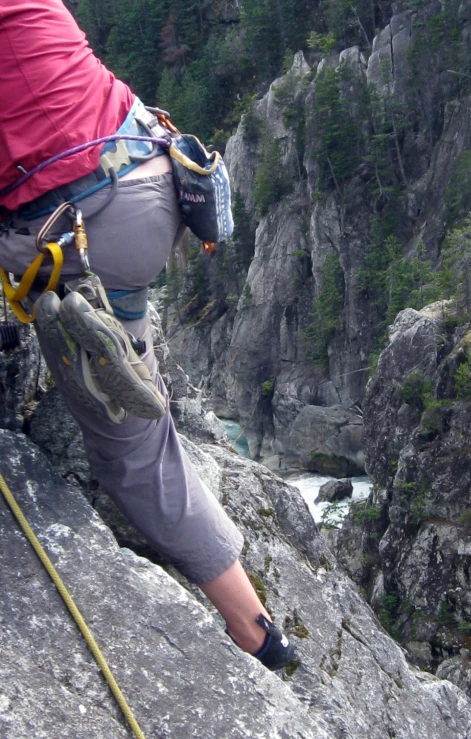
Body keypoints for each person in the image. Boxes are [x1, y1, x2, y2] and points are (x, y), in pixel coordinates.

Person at [0, 0, 294, 671]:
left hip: (86, 228)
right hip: (149, 168)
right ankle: (123, 350)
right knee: (130, 368)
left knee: (133, 455)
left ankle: (257, 636)